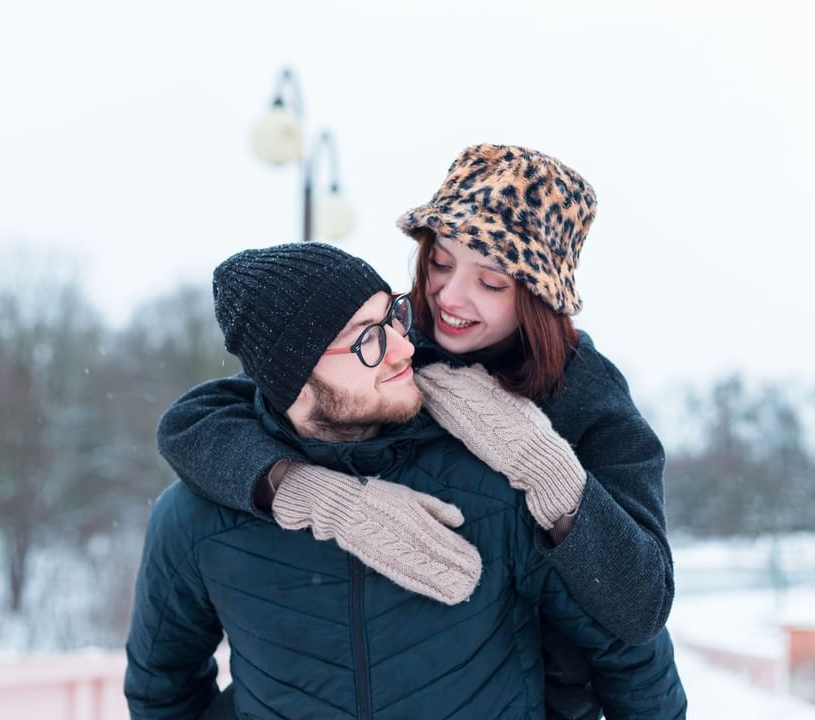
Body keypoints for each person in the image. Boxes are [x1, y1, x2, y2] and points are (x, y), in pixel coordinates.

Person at [158, 145, 676, 718]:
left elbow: (641, 612)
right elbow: (198, 421)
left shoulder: (591, 402)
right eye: (441, 263)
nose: (450, 297)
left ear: (536, 298)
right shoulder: (406, 349)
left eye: (492, 282)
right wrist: (303, 490)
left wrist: (549, 473)